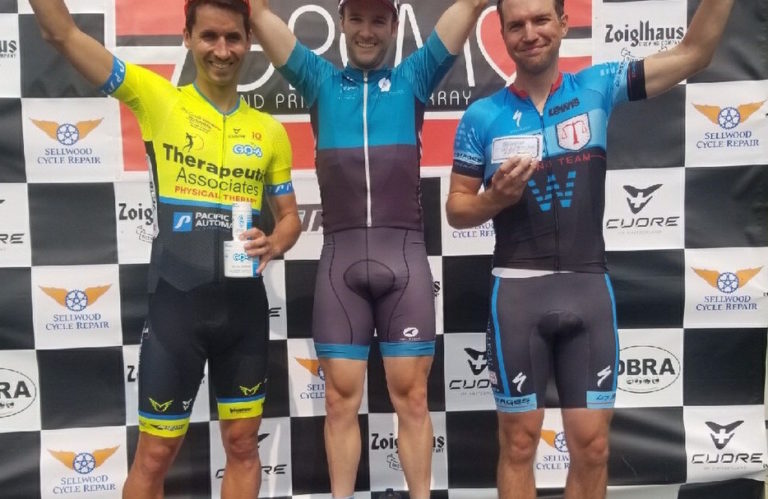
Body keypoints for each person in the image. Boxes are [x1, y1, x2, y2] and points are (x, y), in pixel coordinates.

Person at [446, 0, 734, 498]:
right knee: (518, 445)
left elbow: (696, 54)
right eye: (516, 24)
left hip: (586, 288)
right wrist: (496, 198)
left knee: (594, 447)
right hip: (516, 294)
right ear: (502, 34)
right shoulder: (482, 116)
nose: (530, 33)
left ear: (563, 23)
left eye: (541, 20)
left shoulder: (596, 87)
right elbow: (455, 209)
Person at [29, 1, 301, 498]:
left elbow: (289, 219)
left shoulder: (270, 132)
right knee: (154, 455)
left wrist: (277, 241)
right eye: (209, 37)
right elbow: (63, 35)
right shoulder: (159, 99)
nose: (222, 51)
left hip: (244, 312)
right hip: (177, 306)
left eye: (233, 38)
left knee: (243, 445)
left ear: (249, 41)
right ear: (187, 38)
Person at [248, 0, 486, 497]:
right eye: (357, 19)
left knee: (413, 400)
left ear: (395, 26)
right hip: (341, 266)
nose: (367, 31)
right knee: (339, 401)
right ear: (342, 24)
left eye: (379, 20)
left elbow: (467, 8)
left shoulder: (413, 79)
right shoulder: (318, 81)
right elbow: (257, 16)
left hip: (404, 263)